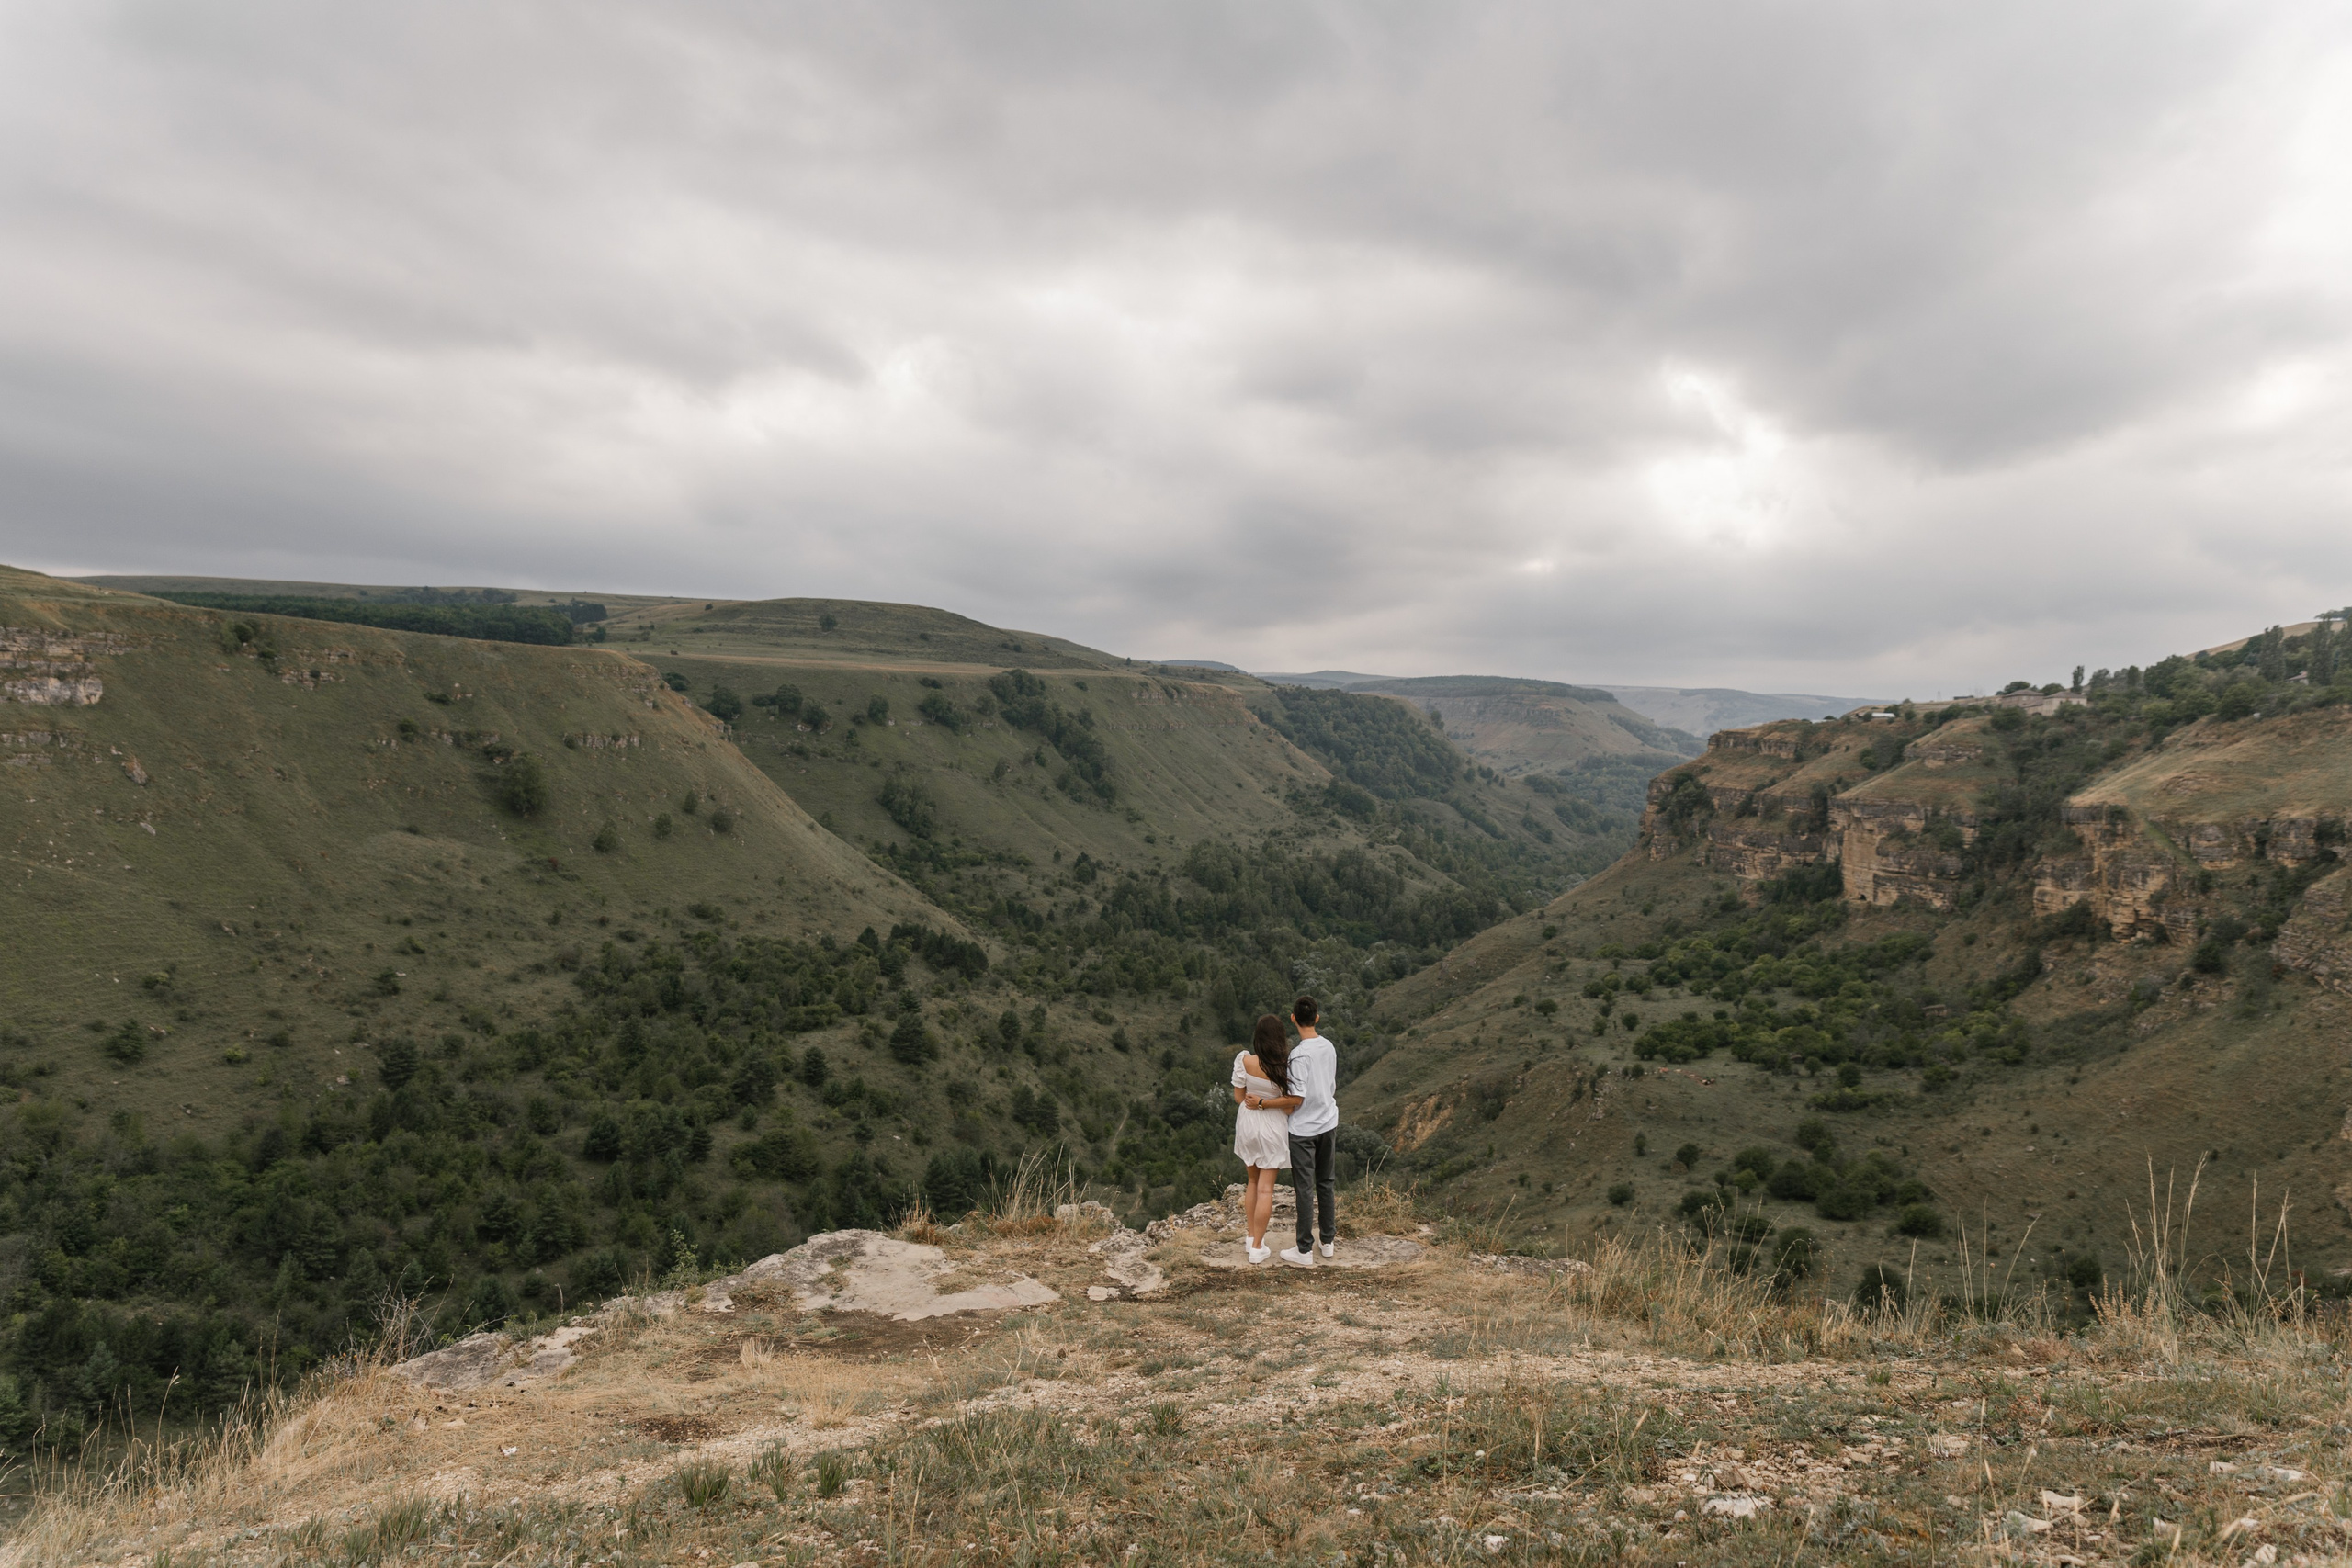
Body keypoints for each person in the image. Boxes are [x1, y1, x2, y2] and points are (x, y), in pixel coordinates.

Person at [1254, 996, 1336, 1269]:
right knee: (1326, 1182)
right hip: (1328, 1122)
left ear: (1293, 1019)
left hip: (1303, 1130)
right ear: (1317, 1018)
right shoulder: (1329, 1047)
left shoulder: (1299, 1056)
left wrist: (1263, 1103)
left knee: (1304, 1188)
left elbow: (1296, 1098)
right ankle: (1327, 1242)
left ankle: (1304, 1249)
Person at [1229, 1014, 1293, 1265]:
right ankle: (1258, 1248)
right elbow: (1289, 1108)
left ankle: (1250, 1237)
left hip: (1247, 1123)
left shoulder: (1243, 1061)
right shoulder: (1284, 1067)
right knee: (1267, 1188)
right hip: (1272, 1126)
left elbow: (1238, 1097)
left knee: (1252, 1182)